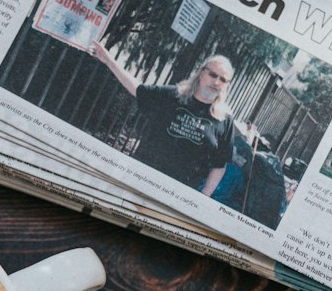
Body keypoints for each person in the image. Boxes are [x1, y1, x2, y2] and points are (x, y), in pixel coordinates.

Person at [89, 42, 236, 195]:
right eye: (213, 75)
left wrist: (205, 195)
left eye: (223, 80)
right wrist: (108, 60)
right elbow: (137, 89)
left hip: (179, 194)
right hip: (141, 179)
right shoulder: (173, 95)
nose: (217, 82)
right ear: (201, 73)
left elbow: (220, 164)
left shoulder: (224, 120)